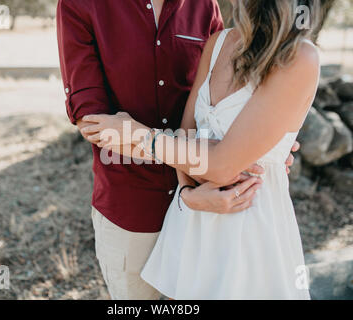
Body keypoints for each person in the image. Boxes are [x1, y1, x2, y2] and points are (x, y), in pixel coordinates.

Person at [57, 0, 299, 300]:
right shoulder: (80, 5)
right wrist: (216, 162)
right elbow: (95, 123)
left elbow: (226, 100)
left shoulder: (205, 7)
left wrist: (263, 148)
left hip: (214, 209)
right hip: (135, 212)